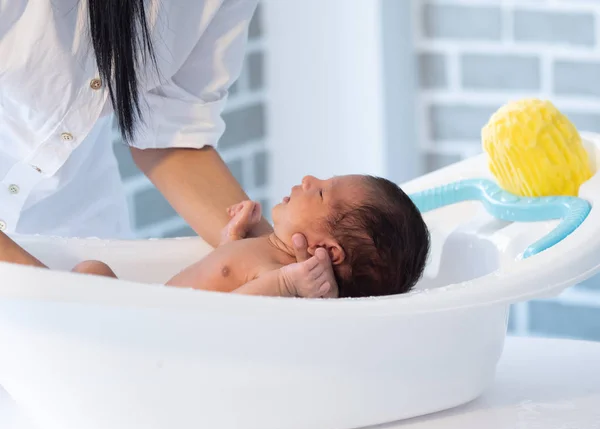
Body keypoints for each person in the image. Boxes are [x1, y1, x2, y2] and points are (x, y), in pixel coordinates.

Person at [0, 0, 338, 297]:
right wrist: (54, 299)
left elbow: (172, 134)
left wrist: (271, 256)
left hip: (79, 223)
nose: (309, 180)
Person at [0, 175, 431, 298]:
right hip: (142, 318)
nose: (307, 178)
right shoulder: (270, 255)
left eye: (319, 192)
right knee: (92, 272)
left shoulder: (285, 279)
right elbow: (226, 279)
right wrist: (232, 242)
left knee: (90, 274)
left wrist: (284, 284)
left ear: (327, 251)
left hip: (154, 339)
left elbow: (231, 317)